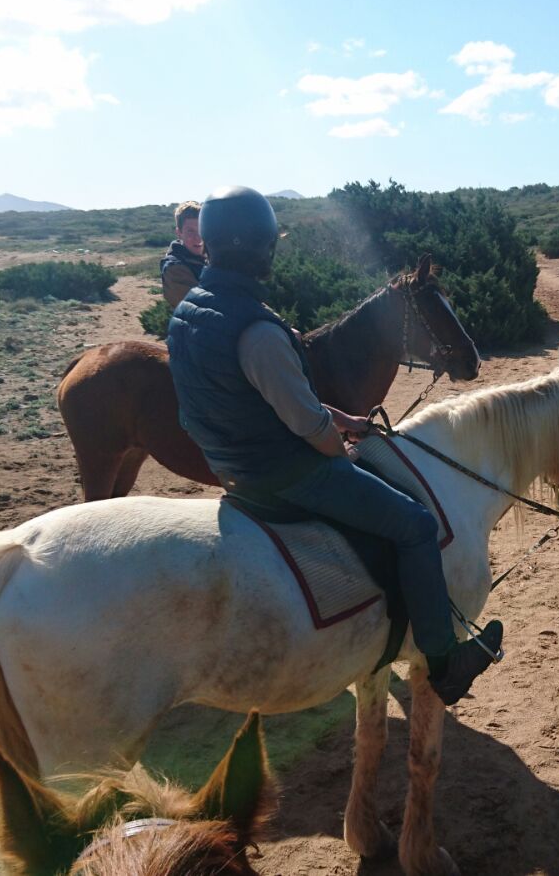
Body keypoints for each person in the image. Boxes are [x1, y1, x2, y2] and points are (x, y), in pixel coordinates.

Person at [167, 186, 502, 706]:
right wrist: (336, 446)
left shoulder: (191, 310)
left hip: (234, 468)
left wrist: (345, 420)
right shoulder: (257, 330)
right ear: (261, 249)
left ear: (209, 245)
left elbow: (265, 403)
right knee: (414, 526)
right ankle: (444, 660)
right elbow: (305, 425)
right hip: (285, 476)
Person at [160, 201, 206, 310]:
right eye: (190, 231)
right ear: (179, 233)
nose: (198, 238)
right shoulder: (174, 268)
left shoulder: (209, 258)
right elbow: (198, 306)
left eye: (201, 230)